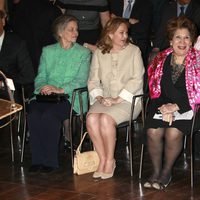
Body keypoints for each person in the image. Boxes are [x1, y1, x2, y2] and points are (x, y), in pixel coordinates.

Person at [27, 14, 91, 174]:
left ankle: (50, 162)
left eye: (76, 29)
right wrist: (43, 87)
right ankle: (37, 160)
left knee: (49, 116)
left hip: (71, 97)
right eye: (71, 29)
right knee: (34, 115)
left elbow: (81, 80)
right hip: (46, 95)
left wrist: (59, 89)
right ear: (60, 32)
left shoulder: (83, 53)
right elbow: (40, 76)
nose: (76, 33)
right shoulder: (48, 51)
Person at [144, 16, 200, 190]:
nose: (182, 42)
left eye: (186, 37)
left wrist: (176, 107)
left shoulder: (198, 61)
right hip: (163, 105)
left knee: (173, 133)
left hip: (191, 107)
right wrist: (164, 108)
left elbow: (198, 92)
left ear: (192, 41)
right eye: (178, 37)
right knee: (153, 130)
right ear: (170, 40)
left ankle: (166, 172)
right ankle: (156, 170)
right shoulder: (160, 60)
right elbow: (154, 90)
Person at [86, 17, 145, 179]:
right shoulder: (99, 51)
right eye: (121, 33)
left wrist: (117, 99)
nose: (125, 36)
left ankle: (110, 160)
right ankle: (102, 158)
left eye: (126, 32)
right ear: (110, 35)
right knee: (91, 118)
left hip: (128, 100)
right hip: (104, 99)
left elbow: (137, 79)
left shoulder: (134, 51)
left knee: (105, 119)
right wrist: (99, 97)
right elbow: (93, 79)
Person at [0, 9, 35, 103]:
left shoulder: (17, 44)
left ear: (3, 21)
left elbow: (28, 76)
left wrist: (3, 83)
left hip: (7, 94)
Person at [110, 0, 153, 67]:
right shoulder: (115, 2)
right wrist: (129, 20)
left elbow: (143, 28)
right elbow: (111, 25)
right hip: (115, 41)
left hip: (137, 42)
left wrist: (119, 19)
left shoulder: (146, 4)